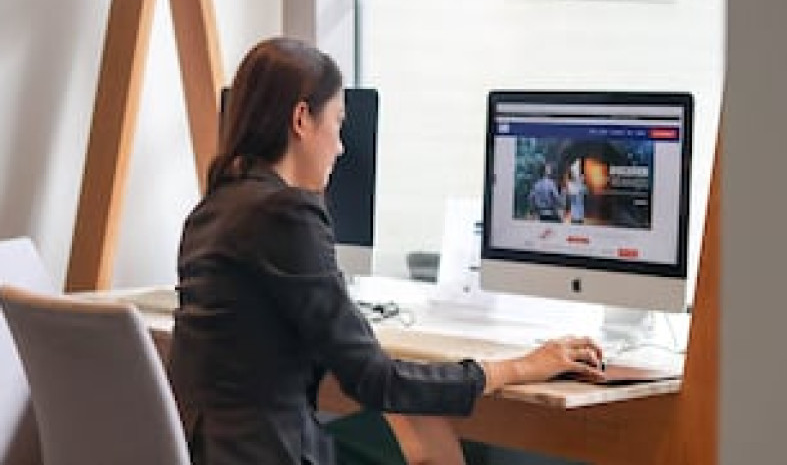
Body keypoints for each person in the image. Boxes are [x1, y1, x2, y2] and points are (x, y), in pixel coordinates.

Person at [168, 37, 605, 465]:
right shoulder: (285, 213)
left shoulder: (210, 211)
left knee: (412, 431)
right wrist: (519, 368)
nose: (340, 146)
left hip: (209, 451)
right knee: (429, 440)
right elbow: (375, 380)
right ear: (301, 119)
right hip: (273, 451)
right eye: (338, 123)